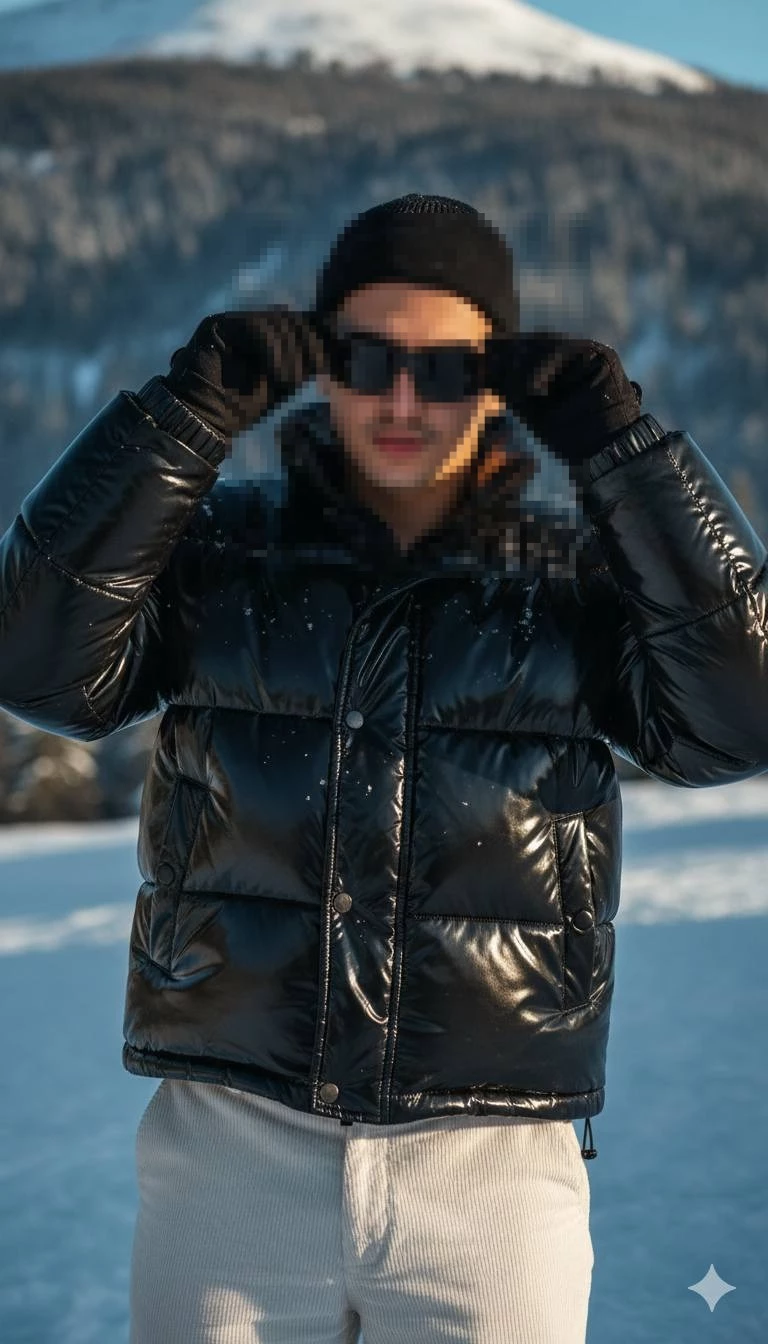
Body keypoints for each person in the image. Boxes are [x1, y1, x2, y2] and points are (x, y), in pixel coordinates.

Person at [1, 192, 767, 1343]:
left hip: (492, 1163)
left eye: (448, 368)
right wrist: (182, 413)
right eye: (368, 359)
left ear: (497, 383)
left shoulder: (574, 580)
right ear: (322, 368)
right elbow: (38, 666)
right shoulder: (222, 552)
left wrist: (628, 455)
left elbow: (741, 719)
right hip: (232, 1152)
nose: (404, 401)